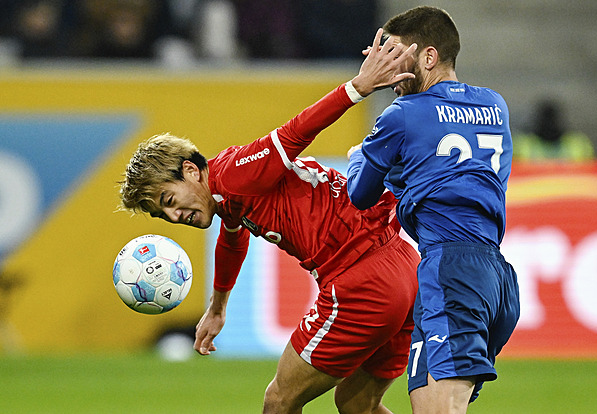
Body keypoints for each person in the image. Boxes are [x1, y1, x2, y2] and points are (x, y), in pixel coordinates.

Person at [119, 30, 420, 414]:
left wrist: (358, 88)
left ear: (191, 170)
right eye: (165, 216)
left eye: (169, 200)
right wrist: (217, 307)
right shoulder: (226, 200)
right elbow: (232, 237)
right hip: (403, 269)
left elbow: (297, 132)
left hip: (361, 279)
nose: (176, 217)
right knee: (356, 404)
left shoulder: (232, 174)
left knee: (279, 401)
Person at [344, 7, 521, 413]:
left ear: (428, 57)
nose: (387, 68)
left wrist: (359, 157)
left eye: (394, 55)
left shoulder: (403, 116)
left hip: (450, 271)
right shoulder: (496, 106)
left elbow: (360, 194)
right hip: (497, 279)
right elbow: (458, 176)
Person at [512, 98, 594, 162]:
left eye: (552, 121)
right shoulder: (521, 146)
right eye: (546, 121)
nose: (549, 125)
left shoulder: (579, 145)